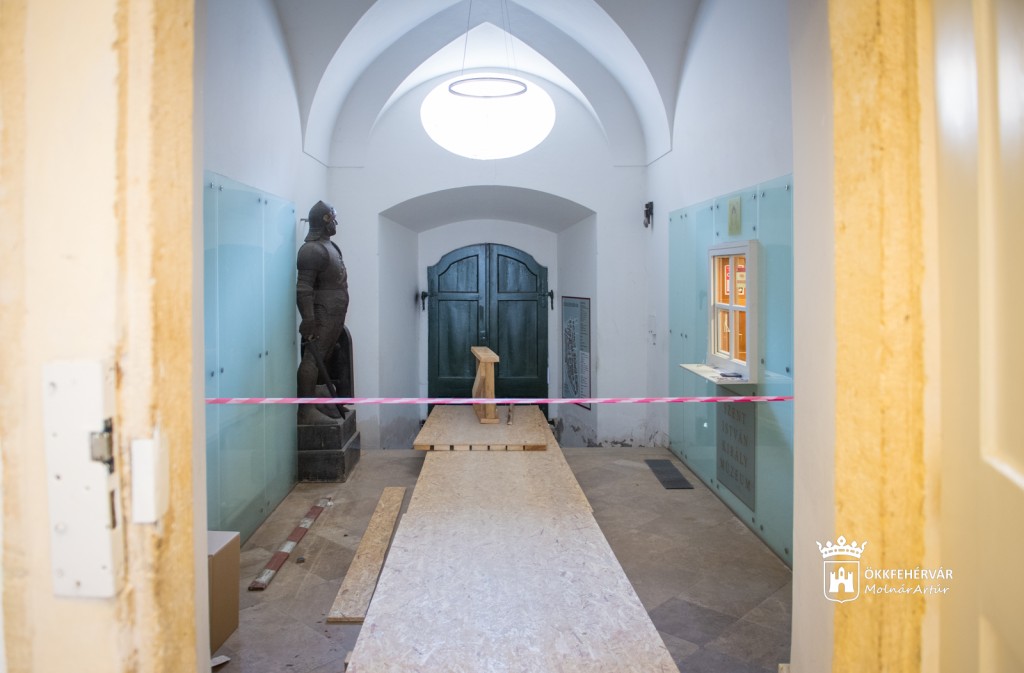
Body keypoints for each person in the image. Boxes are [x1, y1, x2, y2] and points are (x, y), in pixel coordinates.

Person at [296, 200, 349, 424]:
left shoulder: (330, 246)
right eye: (332, 219)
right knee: (312, 358)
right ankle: (306, 410)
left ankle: (319, 396)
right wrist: (308, 318)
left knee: (326, 354)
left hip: (334, 310)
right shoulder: (312, 250)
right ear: (325, 221)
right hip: (323, 311)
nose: (335, 223)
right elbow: (303, 287)